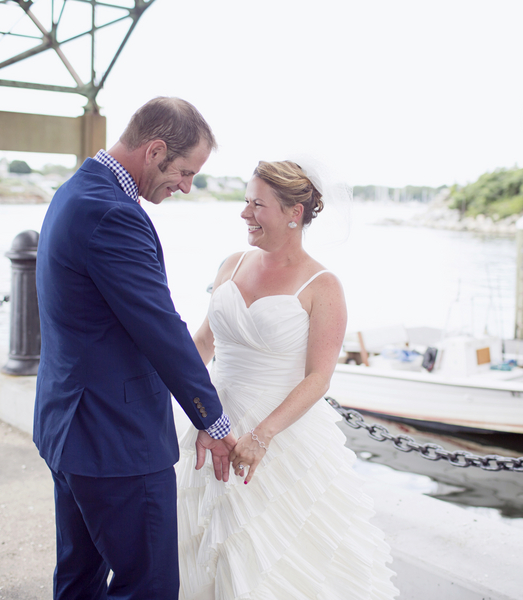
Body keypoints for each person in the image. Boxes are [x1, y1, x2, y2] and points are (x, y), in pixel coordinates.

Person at [34, 96, 237, 600]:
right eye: (185, 172)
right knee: (148, 585)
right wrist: (213, 419)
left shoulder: (76, 191)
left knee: (79, 580)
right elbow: (160, 328)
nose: (186, 187)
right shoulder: (112, 213)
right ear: (155, 150)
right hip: (113, 440)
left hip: (71, 427)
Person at [175, 160, 399, 599]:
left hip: (279, 436)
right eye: (245, 202)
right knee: (202, 548)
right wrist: (180, 396)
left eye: (257, 204)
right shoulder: (232, 264)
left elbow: (319, 378)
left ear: (294, 213)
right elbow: (203, 341)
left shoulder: (323, 285)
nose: (244, 214)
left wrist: (261, 436)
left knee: (271, 561)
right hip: (214, 423)